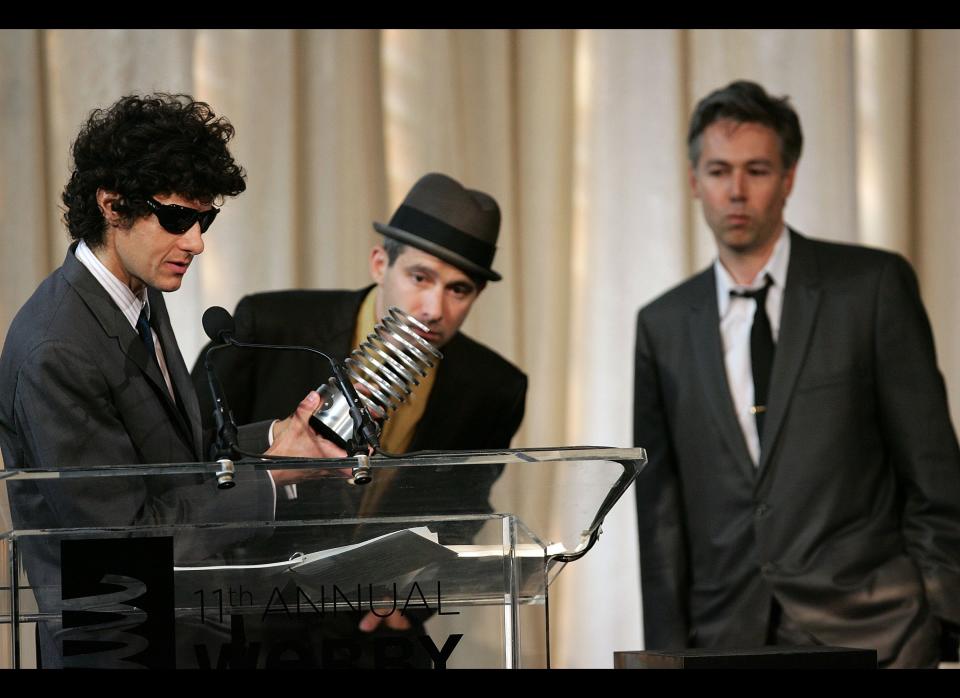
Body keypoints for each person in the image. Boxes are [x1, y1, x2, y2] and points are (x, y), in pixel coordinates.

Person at [0, 93, 343, 668]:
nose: (196, 242)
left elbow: (172, 464)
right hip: (116, 650)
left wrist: (282, 432)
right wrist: (271, 473)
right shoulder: (56, 348)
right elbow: (125, 544)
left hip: (184, 634)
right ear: (111, 205)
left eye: (203, 219)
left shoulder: (137, 295)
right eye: (177, 218)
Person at [633, 80, 960, 668]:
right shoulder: (661, 325)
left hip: (877, 630)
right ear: (693, 182)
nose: (736, 191)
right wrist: (663, 654)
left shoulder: (871, 288)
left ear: (788, 178)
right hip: (725, 633)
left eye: (756, 170)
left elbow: (933, 469)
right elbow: (660, 514)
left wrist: (940, 614)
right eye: (718, 170)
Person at [190, 171, 527, 667]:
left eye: (460, 290)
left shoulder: (494, 387)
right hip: (248, 621)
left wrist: (413, 596)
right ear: (379, 262)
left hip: (371, 635)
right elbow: (185, 451)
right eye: (420, 277)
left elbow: (464, 505)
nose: (434, 308)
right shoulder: (271, 325)